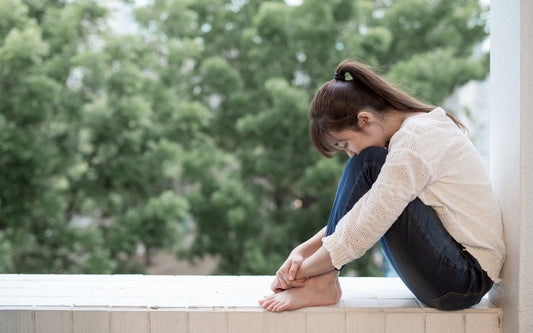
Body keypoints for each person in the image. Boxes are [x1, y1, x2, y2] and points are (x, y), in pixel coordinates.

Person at [258, 59, 506, 312]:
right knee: (368, 163)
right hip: (454, 273)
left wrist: (304, 271)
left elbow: (374, 217)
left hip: (463, 280)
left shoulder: (417, 139)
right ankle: (324, 282)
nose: (350, 153)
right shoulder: (412, 135)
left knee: (368, 162)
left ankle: (323, 284)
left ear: (364, 119)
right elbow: (369, 209)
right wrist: (304, 250)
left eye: (344, 144)